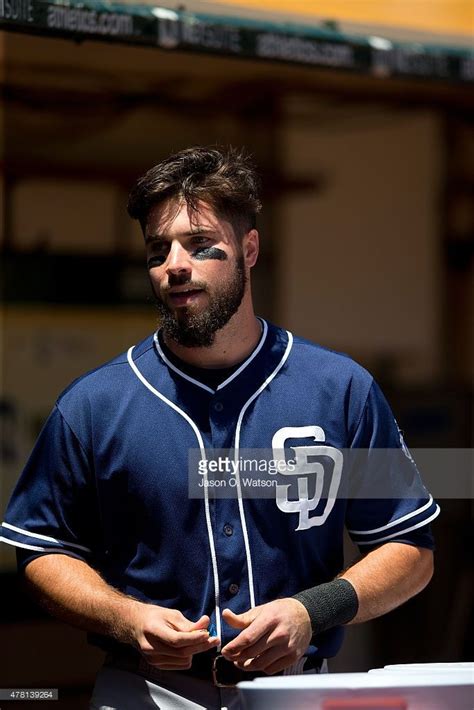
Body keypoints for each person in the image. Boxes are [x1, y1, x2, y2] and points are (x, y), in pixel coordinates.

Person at [1, 146, 439, 710]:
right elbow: (41, 552)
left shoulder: (340, 389)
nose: (175, 264)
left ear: (248, 250)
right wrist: (126, 616)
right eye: (159, 250)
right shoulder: (93, 405)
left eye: (200, 244)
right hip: (143, 690)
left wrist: (314, 609)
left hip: (299, 688)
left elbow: (410, 549)